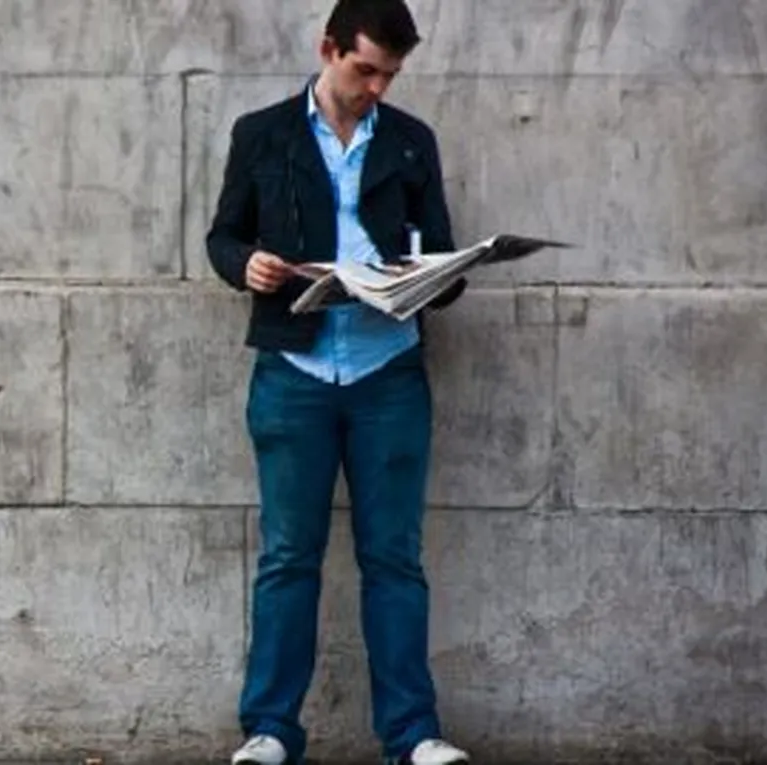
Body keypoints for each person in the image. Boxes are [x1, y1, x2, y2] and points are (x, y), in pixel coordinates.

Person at [205, 1, 471, 764]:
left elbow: (442, 253)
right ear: (328, 49)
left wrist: (432, 277)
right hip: (295, 369)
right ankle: (270, 730)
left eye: (391, 74)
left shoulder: (412, 142)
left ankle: (412, 735)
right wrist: (247, 266)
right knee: (289, 555)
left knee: (394, 557)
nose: (377, 87)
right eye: (366, 69)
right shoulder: (263, 134)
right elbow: (223, 237)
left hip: (388, 370)